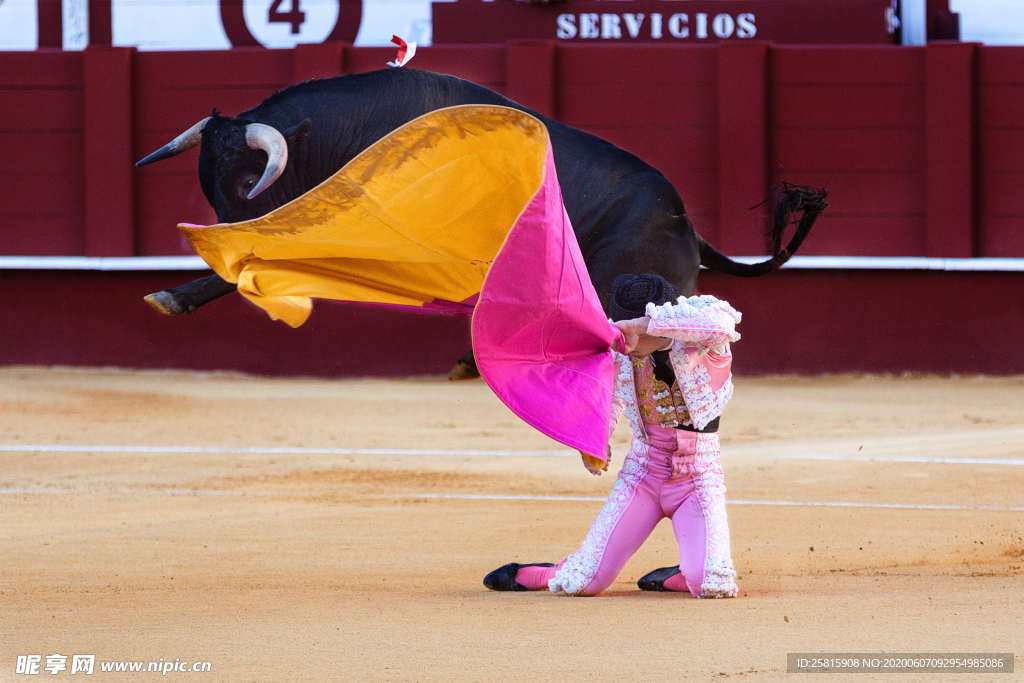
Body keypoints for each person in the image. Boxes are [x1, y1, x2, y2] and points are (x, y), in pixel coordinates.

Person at [483, 273, 741, 597]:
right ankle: (545, 572)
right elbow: (613, 396)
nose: (625, 342)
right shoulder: (621, 351)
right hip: (643, 476)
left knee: (711, 584)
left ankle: (687, 571)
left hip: (698, 480)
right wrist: (595, 439)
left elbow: (723, 322)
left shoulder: (705, 340)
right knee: (583, 584)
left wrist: (647, 326)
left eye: (629, 331)